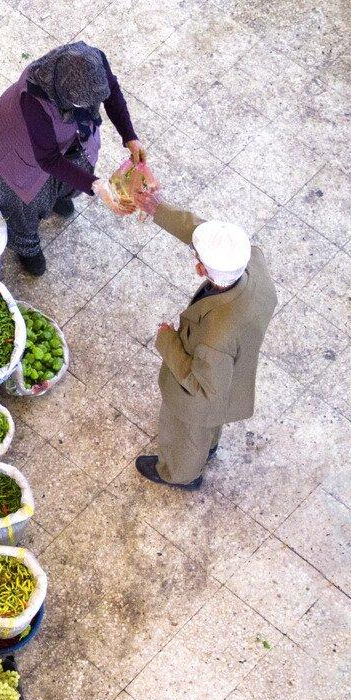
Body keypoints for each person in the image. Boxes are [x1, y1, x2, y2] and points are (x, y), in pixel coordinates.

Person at [127, 201, 278, 489]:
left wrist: (167, 341)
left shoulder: (216, 336)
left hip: (202, 396)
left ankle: (180, 474)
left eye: (196, 255)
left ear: (201, 269)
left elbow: (202, 386)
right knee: (210, 425)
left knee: (187, 432)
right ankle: (209, 446)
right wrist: (156, 208)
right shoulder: (251, 262)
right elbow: (207, 234)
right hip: (232, 375)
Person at [0, 42, 145, 276]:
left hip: (69, 132)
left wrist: (130, 136)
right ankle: (27, 246)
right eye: (83, 104)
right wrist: (98, 186)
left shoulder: (94, 63)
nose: (91, 106)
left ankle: (58, 196)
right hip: (23, 139)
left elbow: (113, 96)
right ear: (63, 95)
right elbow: (49, 159)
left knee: (78, 164)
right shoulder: (34, 99)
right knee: (23, 197)